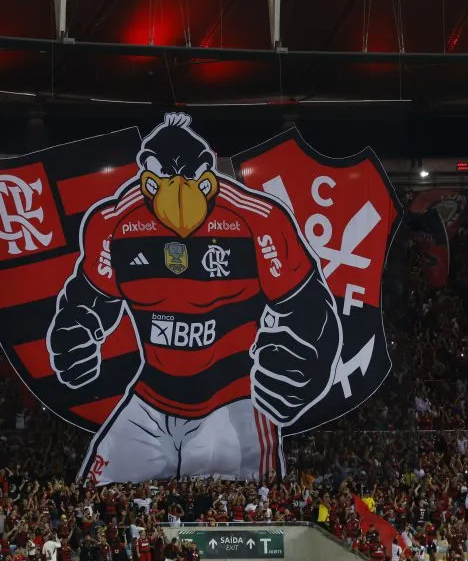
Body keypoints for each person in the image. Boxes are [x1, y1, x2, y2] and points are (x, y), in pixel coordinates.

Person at [48, 113, 342, 483]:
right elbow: (92, 296)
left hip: (233, 403)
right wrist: (76, 330)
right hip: (149, 402)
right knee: (90, 495)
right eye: (164, 179)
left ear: (208, 178)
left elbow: (306, 302)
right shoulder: (114, 223)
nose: (178, 192)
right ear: (147, 180)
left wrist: (309, 357)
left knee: (247, 508)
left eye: (191, 178)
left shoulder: (258, 219)